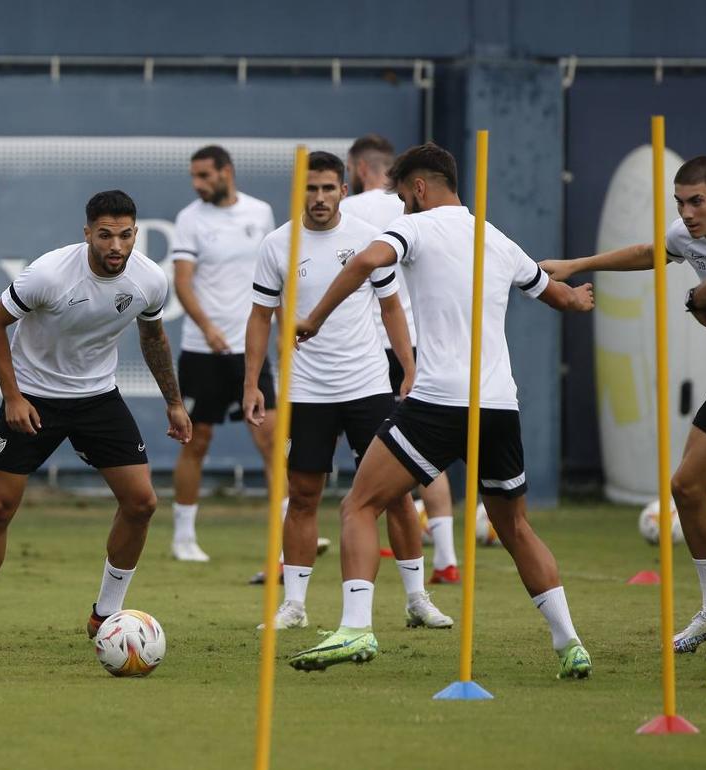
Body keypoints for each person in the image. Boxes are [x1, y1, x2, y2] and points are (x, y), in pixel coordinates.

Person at [286, 143, 595, 678]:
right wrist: (581, 298)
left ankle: (356, 629)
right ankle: (570, 643)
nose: (404, 208)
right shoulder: (497, 239)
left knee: (359, 506)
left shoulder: (417, 229)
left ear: (421, 189)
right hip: (499, 405)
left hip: (437, 402)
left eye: (406, 198)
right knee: (516, 527)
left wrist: (313, 318)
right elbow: (561, 298)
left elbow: (364, 261)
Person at [0, 190, 192, 650]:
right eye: (105, 235)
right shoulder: (49, 274)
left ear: (136, 234)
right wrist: (12, 397)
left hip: (98, 398)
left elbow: (154, 337)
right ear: (87, 233)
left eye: (125, 235)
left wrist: (174, 401)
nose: (116, 246)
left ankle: (106, 616)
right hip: (33, 397)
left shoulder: (149, 280)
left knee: (142, 504)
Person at [542, 155, 706, 687]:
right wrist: (577, 265)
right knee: (687, 486)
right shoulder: (684, 233)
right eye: (680, 203)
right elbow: (651, 253)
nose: (688, 213)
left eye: (697, 201)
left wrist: (699, 300)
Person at [244, 151, 451, 631]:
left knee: (396, 494)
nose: (319, 198)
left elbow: (392, 307)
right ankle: (293, 605)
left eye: (327, 188)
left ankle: (417, 598)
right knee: (303, 494)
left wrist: (409, 367)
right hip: (306, 390)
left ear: (343, 189)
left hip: (367, 387)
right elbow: (259, 317)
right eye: (310, 189)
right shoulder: (278, 245)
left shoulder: (365, 239)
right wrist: (253, 383)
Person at [342, 134, 459, 584]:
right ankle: (446, 558)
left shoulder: (349, 212)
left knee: (370, 463)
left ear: (357, 168)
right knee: (428, 453)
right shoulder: (419, 211)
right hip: (419, 345)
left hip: (371, 348)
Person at [168, 145, 278, 563]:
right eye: (193, 177)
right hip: (202, 351)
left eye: (204, 175)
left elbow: (272, 278)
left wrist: (280, 334)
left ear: (226, 172)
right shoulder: (189, 219)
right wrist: (208, 327)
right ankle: (183, 537)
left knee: (270, 438)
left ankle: (285, 537)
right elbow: (182, 283)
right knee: (197, 440)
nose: (198, 184)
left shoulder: (260, 213)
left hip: (249, 350)